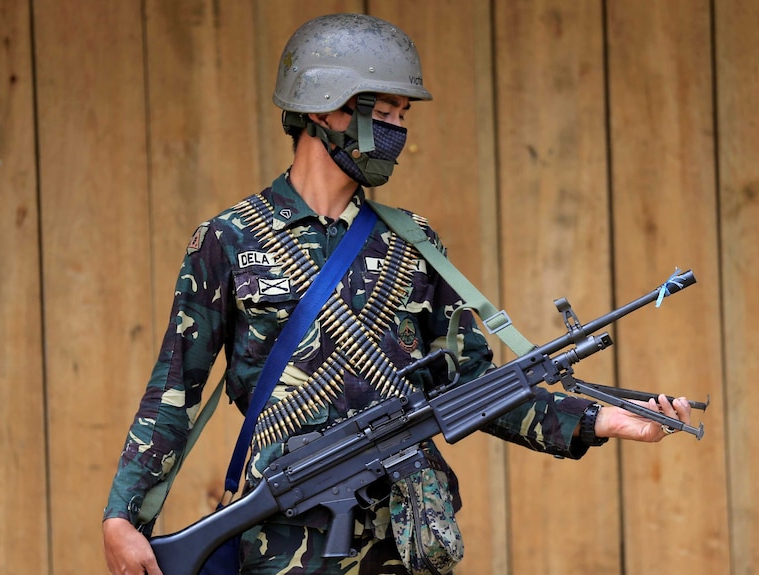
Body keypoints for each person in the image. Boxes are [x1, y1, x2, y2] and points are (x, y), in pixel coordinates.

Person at [102, 13, 692, 575]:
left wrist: (603, 420)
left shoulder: (412, 242)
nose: (398, 129)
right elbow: (173, 393)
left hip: (405, 539)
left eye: (404, 114)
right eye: (383, 111)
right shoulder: (229, 240)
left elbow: (472, 387)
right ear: (324, 111)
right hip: (282, 543)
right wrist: (124, 517)